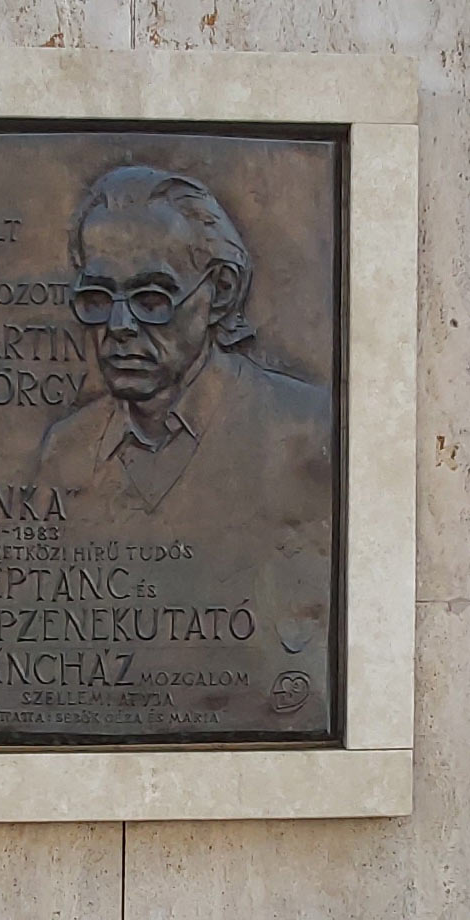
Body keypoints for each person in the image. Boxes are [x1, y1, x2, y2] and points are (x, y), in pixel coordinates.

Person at [38, 166, 334, 732]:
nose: (119, 326)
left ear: (219, 293)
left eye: (152, 298)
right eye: (99, 297)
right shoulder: (65, 449)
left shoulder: (308, 429)